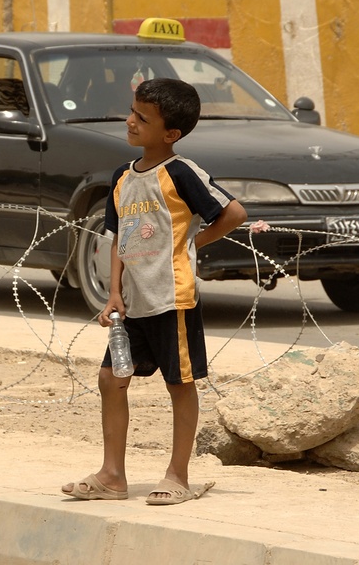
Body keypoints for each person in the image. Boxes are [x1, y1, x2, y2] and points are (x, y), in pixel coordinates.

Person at [61, 77, 253, 506]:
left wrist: (191, 244)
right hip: (132, 302)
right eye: (131, 111)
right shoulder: (121, 178)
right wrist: (113, 293)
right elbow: (118, 237)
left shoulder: (181, 172)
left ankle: (178, 475)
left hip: (172, 297)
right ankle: (112, 476)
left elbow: (233, 213)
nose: (130, 121)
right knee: (111, 379)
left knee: (180, 384)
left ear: (171, 134)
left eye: (141, 118)